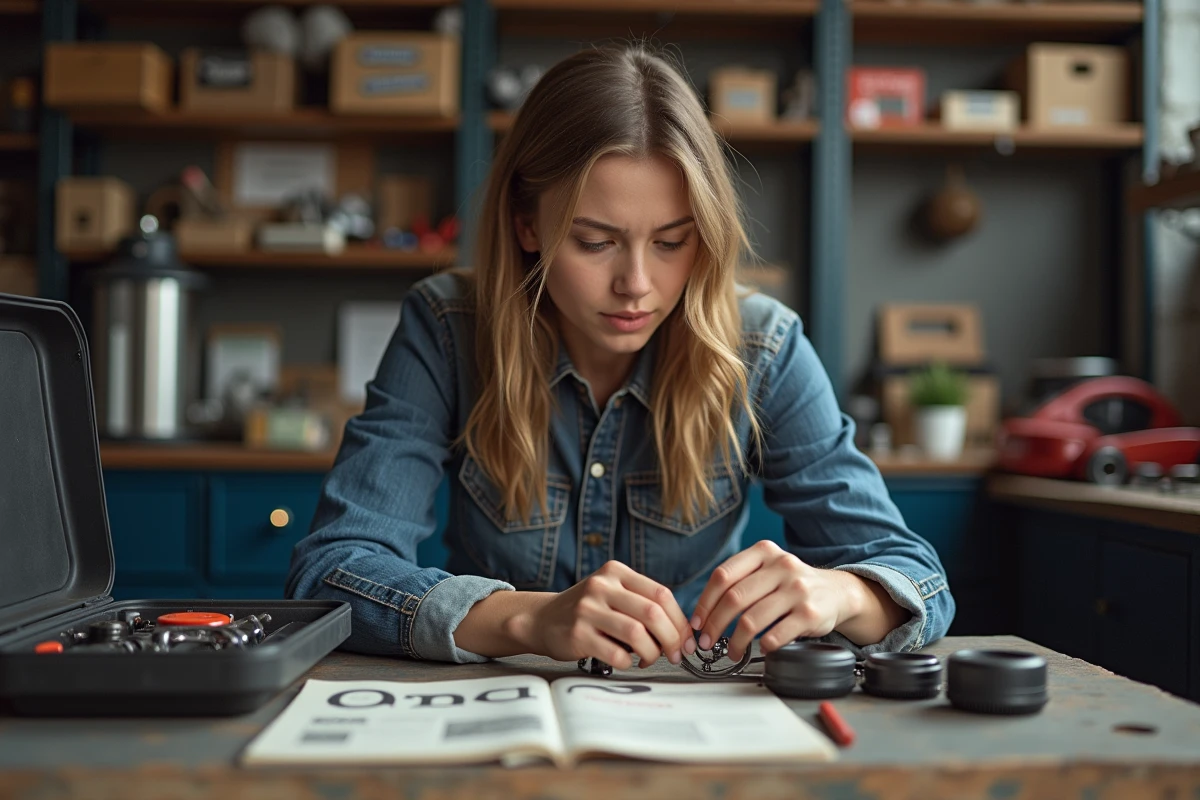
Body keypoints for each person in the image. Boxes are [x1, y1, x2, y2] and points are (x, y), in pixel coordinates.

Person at [287, 45, 954, 670]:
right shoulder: (448, 328)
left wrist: (839, 594)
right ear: (527, 223)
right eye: (595, 241)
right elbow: (333, 570)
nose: (637, 283)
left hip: (690, 708)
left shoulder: (763, 345)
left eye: (671, 242)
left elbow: (917, 579)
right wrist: (528, 620)